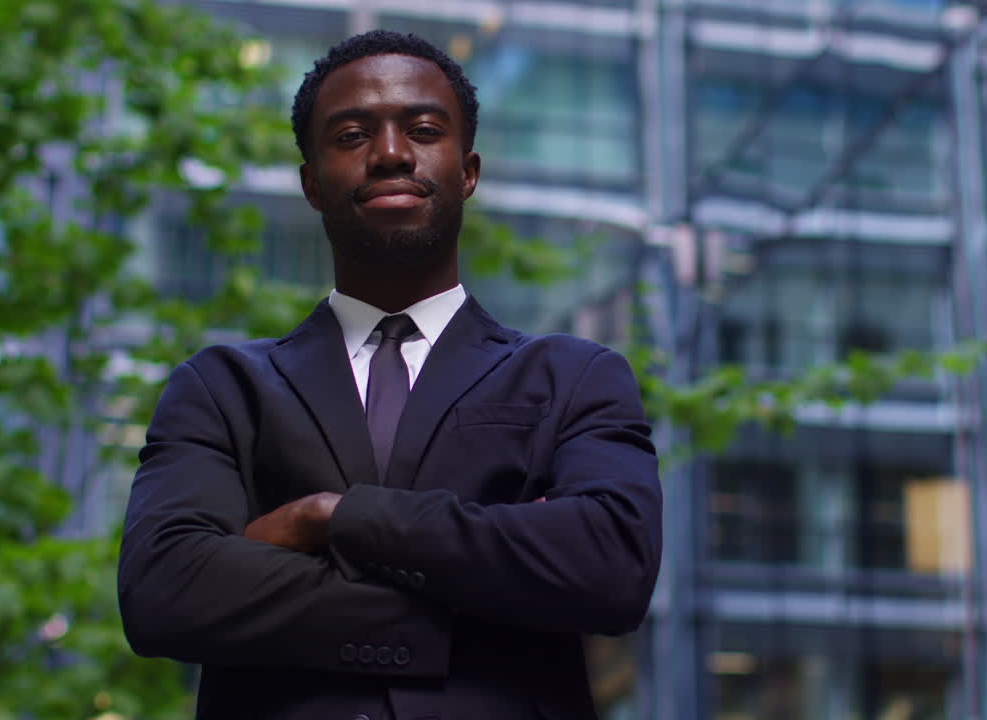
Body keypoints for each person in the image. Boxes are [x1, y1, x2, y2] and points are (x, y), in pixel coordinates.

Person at [117, 29, 662, 720]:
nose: (391, 153)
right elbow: (163, 591)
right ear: (312, 185)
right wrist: (486, 589)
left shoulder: (574, 377)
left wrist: (331, 518)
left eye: (424, 130)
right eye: (351, 135)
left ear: (468, 172)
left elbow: (612, 568)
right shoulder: (221, 388)